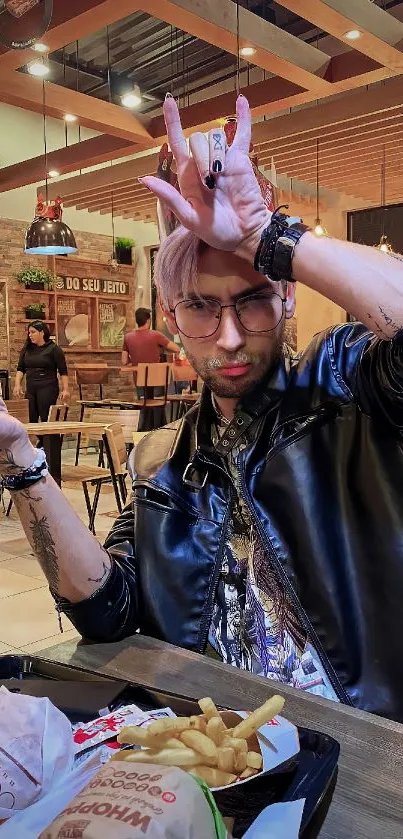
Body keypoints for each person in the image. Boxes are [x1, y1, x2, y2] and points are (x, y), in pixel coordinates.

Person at [1, 95, 403, 719]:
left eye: (253, 301)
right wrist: (19, 456)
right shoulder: (165, 464)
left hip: (362, 749)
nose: (232, 336)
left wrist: (263, 237)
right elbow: (110, 610)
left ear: (288, 298)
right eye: (201, 307)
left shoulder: (346, 384)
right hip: (223, 754)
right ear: (172, 319)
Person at [13, 321, 69, 422]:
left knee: (45, 417)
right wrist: (17, 385)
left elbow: (63, 371)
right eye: (29, 333)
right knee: (31, 418)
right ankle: (40, 438)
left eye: (33, 332)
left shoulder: (54, 349)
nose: (30, 335)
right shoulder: (27, 349)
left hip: (47, 387)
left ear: (42, 332)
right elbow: (20, 368)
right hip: (31, 388)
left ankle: (49, 438)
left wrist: (65, 389)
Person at [122, 306, 179, 397]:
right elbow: (176, 348)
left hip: (139, 380)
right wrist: (162, 349)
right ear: (148, 320)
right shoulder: (156, 335)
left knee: (144, 405)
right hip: (156, 379)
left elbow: (124, 361)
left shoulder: (128, 337)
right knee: (157, 406)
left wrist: (134, 362)